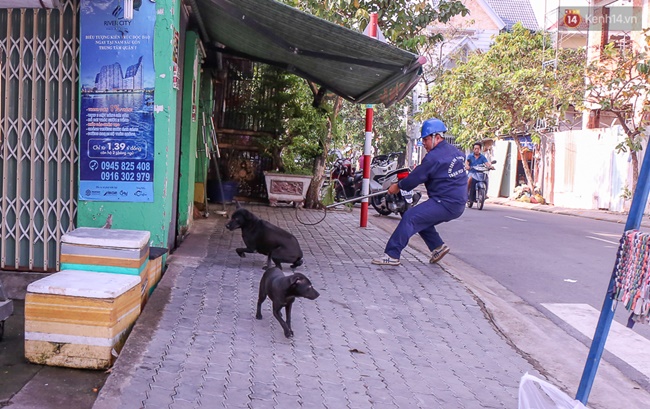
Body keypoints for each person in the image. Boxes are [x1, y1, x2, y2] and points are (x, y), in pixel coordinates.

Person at [372, 118, 468, 266]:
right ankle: (437, 247)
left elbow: (416, 178)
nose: (424, 143)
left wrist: (397, 186)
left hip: (445, 202)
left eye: (426, 139)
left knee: (410, 217)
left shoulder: (434, 157)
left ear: (437, 137)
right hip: (457, 202)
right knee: (421, 217)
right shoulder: (456, 152)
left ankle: (391, 254)